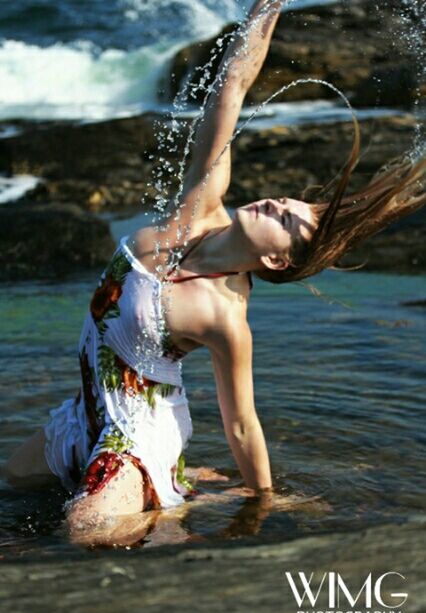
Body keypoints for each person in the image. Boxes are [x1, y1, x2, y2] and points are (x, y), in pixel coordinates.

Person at [2, 0, 425, 547]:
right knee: (9, 487)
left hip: (134, 435)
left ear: (277, 261)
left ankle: (169, 507)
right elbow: (231, 87)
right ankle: (181, 485)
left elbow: (243, 424)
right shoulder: (200, 205)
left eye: (290, 221)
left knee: (85, 533)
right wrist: (266, 10)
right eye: (289, 201)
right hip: (84, 413)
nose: (280, 203)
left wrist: (262, 501)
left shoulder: (226, 316)